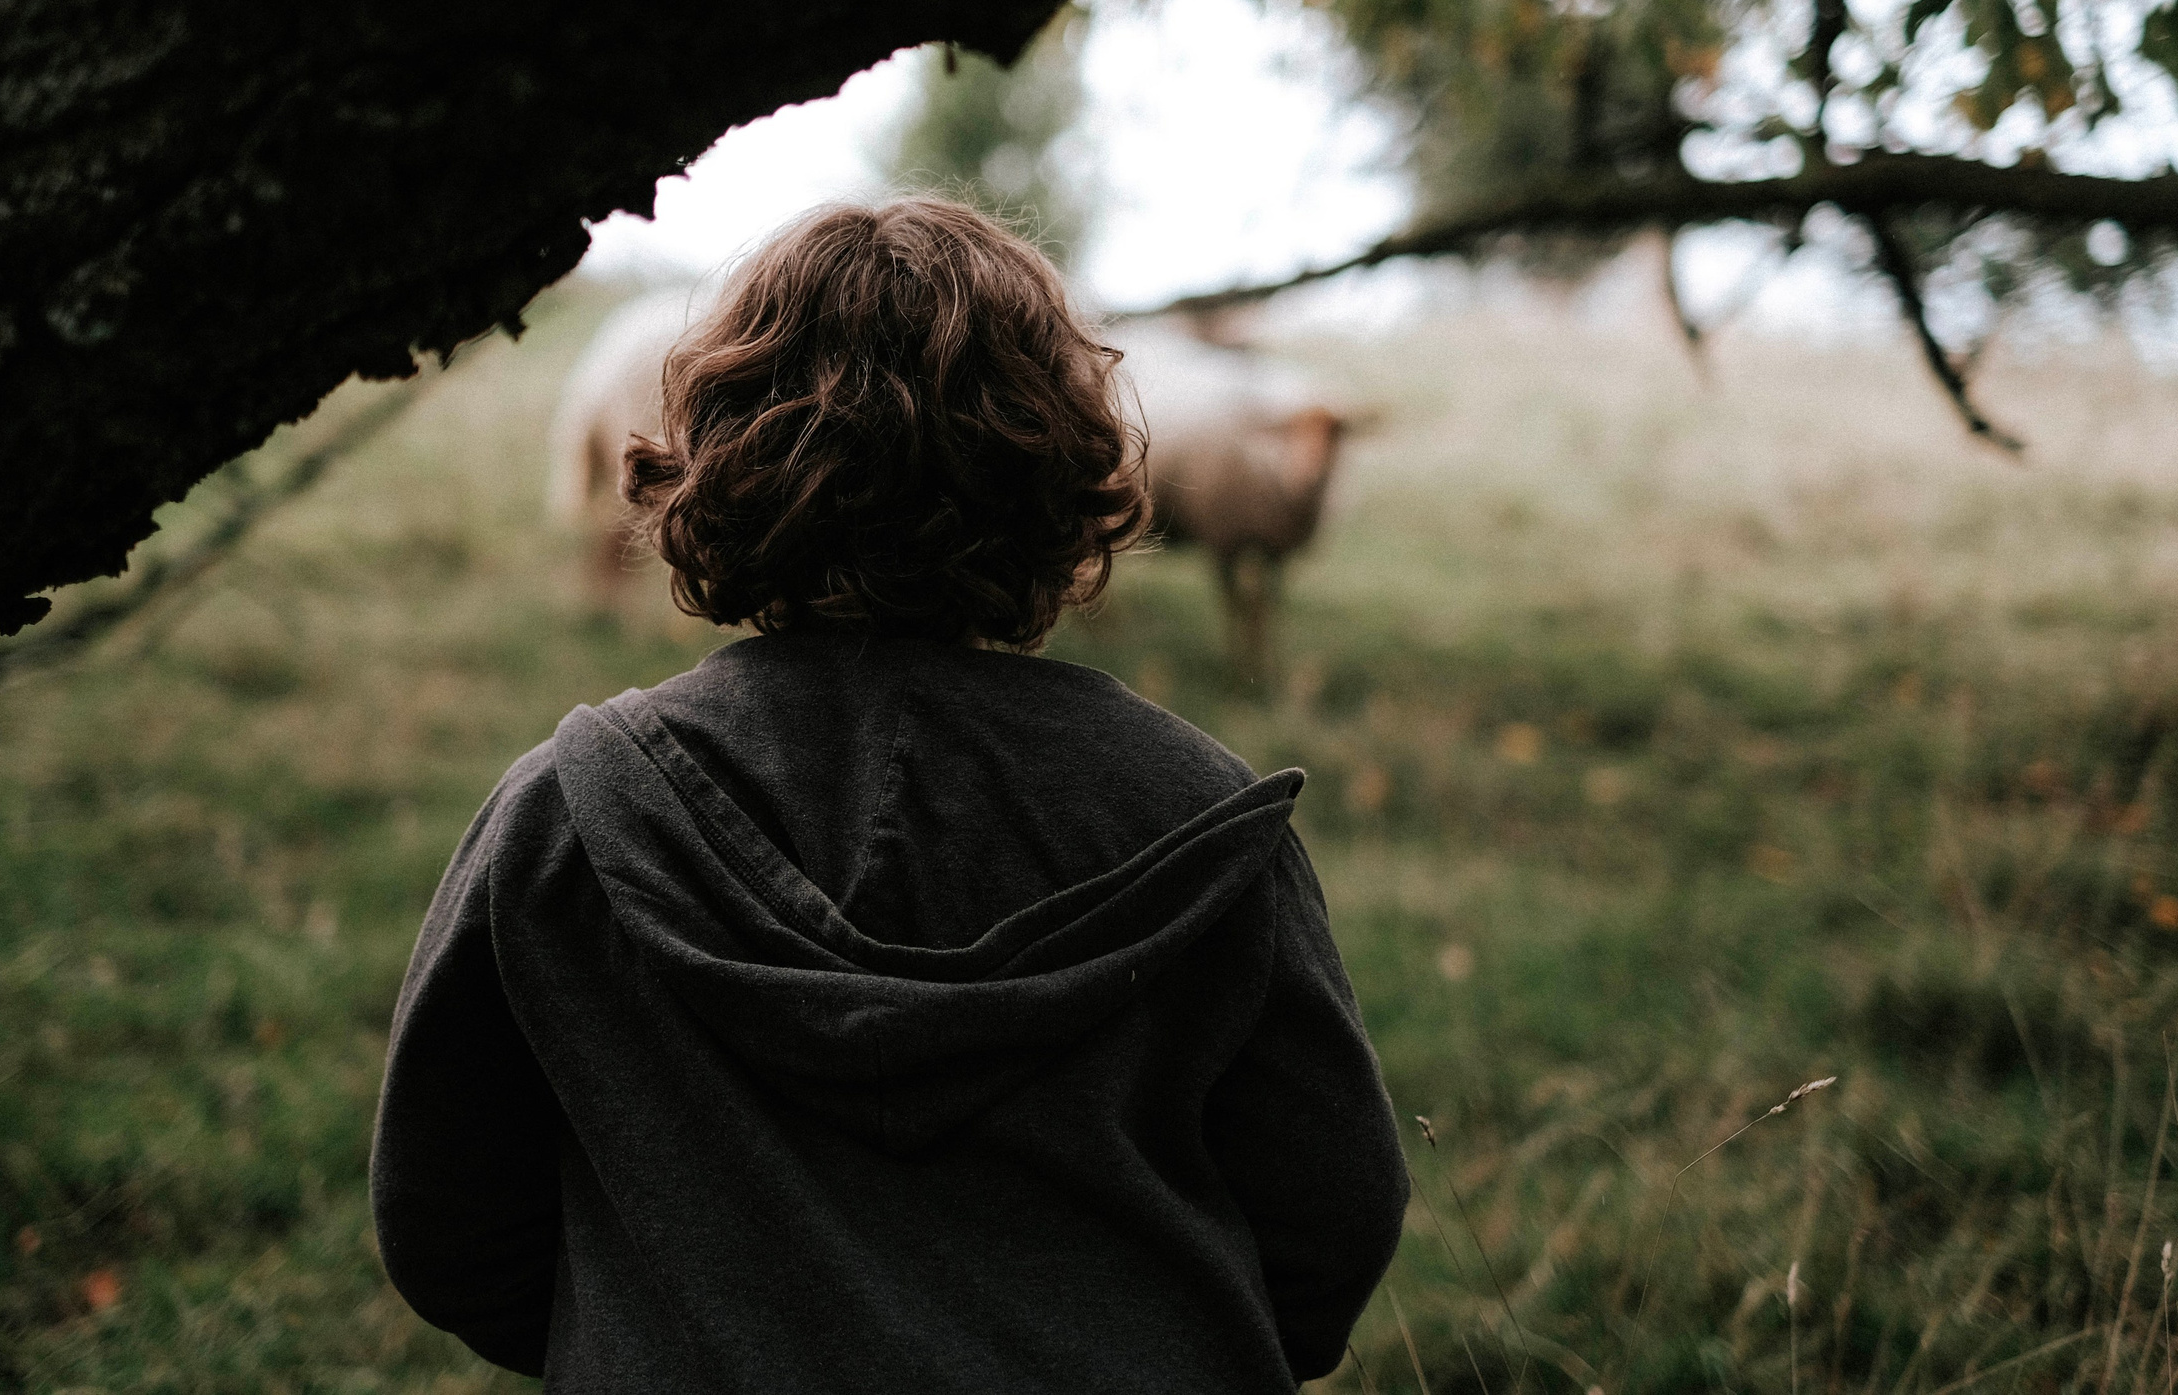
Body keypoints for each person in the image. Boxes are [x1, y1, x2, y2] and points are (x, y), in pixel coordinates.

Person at [370, 198, 1409, 1392]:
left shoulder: (563, 815)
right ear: (1067, 473)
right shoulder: (1202, 818)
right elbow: (1332, 1221)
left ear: (712, 455)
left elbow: (446, 1224)